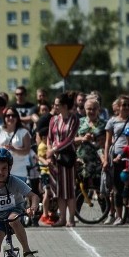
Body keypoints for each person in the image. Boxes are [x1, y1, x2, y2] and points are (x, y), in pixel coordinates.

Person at [103, 95, 129, 225]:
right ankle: (119, 216)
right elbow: (107, 142)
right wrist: (106, 159)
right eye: (123, 105)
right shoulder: (112, 121)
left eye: (128, 105)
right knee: (118, 188)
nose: (126, 107)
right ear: (118, 107)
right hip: (118, 156)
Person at [47, 91, 81, 227]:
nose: (55, 107)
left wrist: (54, 149)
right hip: (55, 158)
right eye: (54, 105)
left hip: (67, 157)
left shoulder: (74, 119)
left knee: (69, 189)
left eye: (57, 105)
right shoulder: (53, 120)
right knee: (59, 190)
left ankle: (70, 218)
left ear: (65, 106)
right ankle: (62, 218)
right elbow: (49, 138)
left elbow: (70, 139)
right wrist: (49, 152)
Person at [0, 106, 32, 182]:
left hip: (19, 172)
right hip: (1, 173)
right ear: (4, 117)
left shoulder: (24, 132)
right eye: (8, 116)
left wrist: (14, 149)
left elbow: (27, 151)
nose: (11, 118)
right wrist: (2, 148)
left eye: (13, 115)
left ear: (17, 117)